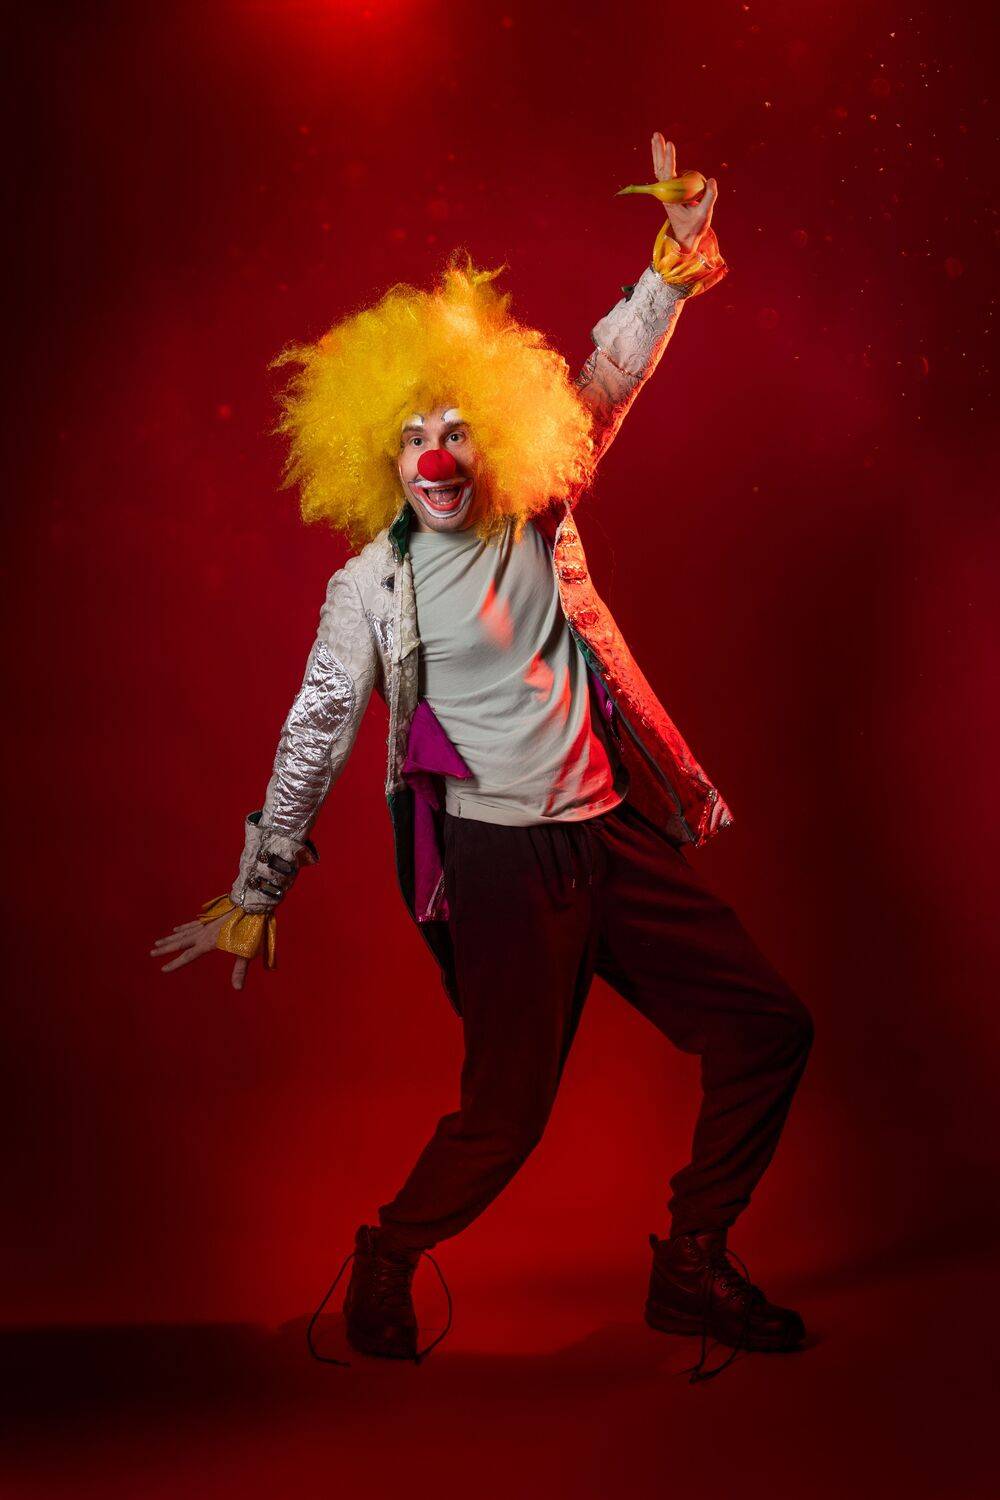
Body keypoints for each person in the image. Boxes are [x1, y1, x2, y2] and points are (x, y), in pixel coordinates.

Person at [151, 133, 814, 1383]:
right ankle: (389, 1252)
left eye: (458, 429)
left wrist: (672, 263)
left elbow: (607, 374)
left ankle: (691, 1259)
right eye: (413, 437)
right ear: (381, 458)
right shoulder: (372, 587)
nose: (439, 456)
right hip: (502, 866)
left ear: (494, 433)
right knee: (506, 1117)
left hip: (610, 835)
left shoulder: (536, 502)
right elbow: (314, 729)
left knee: (769, 1029)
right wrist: (258, 887)